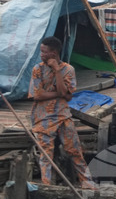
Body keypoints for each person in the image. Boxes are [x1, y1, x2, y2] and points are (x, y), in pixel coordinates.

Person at [29, 37, 95, 187]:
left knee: (75, 151)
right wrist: (60, 94)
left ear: (54, 53)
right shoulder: (37, 69)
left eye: (44, 52)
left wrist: (57, 71)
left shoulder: (67, 70)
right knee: (46, 154)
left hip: (63, 115)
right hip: (43, 118)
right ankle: (47, 185)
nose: (41, 55)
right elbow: (37, 95)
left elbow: (68, 96)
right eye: (41, 52)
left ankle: (87, 183)